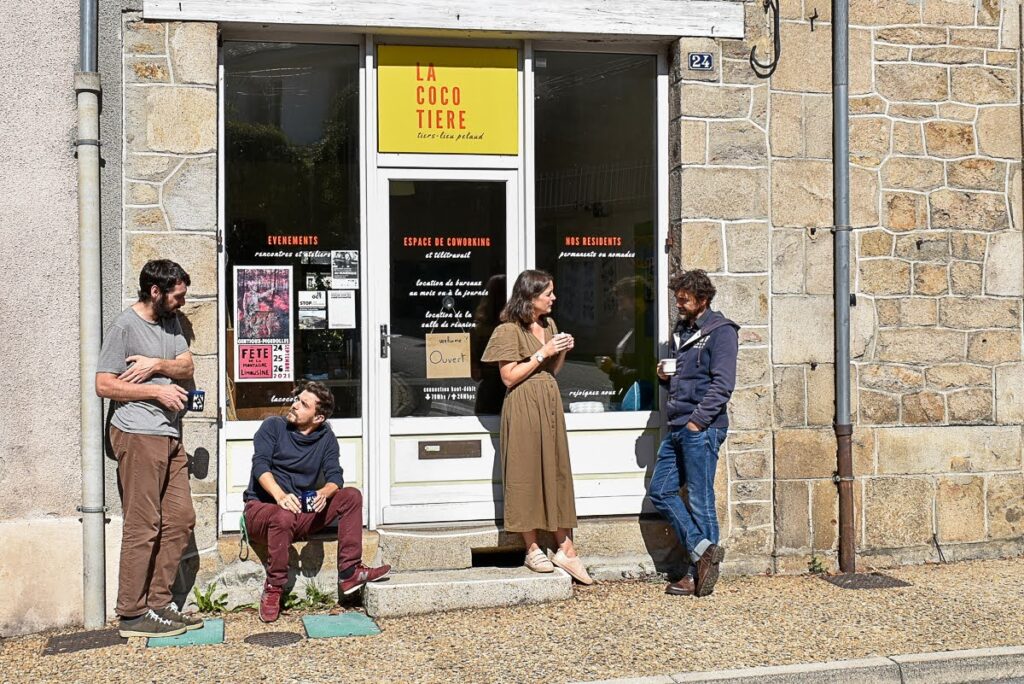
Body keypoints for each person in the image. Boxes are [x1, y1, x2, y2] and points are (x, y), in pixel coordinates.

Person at [96, 259, 199, 638]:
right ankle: (131, 612)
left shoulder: (169, 323)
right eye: (178, 295)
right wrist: (155, 389)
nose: (182, 303)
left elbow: (186, 366)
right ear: (155, 292)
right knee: (144, 524)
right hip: (138, 434)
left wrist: (157, 364)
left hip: (169, 435)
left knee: (181, 517)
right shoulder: (124, 326)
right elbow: (104, 385)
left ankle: (158, 603)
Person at [243, 380, 391, 623]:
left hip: (299, 512)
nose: (294, 405)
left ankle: (350, 572)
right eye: (297, 400)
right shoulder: (273, 427)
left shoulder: (325, 437)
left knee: (351, 496)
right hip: (262, 511)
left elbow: (336, 476)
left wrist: (325, 492)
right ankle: (274, 587)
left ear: (318, 418)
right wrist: (279, 496)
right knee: (282, 515)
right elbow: (260, 465)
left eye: (303, 404)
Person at [481, 269, 593, 585]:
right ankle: (531, 547)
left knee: (555, 470)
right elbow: (509, 377)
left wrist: (561, 351)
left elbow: (551, 369)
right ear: (531, 296)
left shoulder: (549, 325)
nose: (554, 298)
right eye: (548, 294)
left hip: (549, 401)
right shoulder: (508, 330)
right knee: (525, 472)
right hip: (523, 403)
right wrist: (543, 351)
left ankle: (565, 549)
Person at [649, 269, 739, 597]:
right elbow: (680, 375)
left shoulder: (721, 331)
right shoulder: (681, 330)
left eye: (684, 299)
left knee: (701, 500)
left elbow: (723, 384)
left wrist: (697, 422)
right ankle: (703, 550)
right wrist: (663, 375)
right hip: (677, 426)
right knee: (661, 491)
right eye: (677, 297)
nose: (678, 303)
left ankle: (696, 575)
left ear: (703, 299)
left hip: (700, 428)